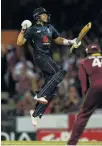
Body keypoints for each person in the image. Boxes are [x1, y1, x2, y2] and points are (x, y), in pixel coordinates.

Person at [17, 7, 81, 126]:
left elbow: (58, 39)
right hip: (40, 57)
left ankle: (36, 113)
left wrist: (71, 41)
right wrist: (23, 29)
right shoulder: (32, 29)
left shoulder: (50, 28)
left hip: (48, 57)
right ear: (37, 16)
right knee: (59, 73)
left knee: (52, 89)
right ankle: (40, 94)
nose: (46, 16)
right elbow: (20, 42)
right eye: (44, 14)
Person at [67, 44, 102, 145]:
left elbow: (84, 84)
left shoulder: (83, 62)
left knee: (83, 116)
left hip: (95, 87)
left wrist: (86, 97)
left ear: (88, 52)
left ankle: (71, 143)